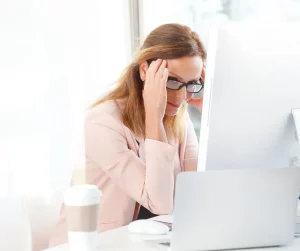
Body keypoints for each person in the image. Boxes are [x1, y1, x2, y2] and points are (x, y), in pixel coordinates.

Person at [49, 23, 206, 247]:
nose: (182, 97)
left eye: (191, 84)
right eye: (172, 81)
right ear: (145, 71)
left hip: (145, 244)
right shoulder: (101, 123)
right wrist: (154, 116)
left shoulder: (180, 120)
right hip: (94, 245)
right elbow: (160, 204)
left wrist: (209, 111)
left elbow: (200, 193)